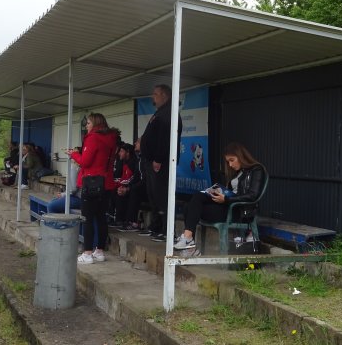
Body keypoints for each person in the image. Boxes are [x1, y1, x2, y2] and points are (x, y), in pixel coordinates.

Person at [173, 142, 266, 250]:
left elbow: (252, 195)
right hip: (227, 206)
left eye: (232, 160)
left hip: (239, 212)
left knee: (194, 202)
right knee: (189, 205)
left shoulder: (256, 169)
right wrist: (220, 193)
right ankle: (189, 241)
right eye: (228, 162)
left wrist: (226, 199)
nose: (230, 165)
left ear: (241, 156)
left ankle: (188, 239)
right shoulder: (237, 172)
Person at [66, 113, 117, 264]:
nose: (86, 125)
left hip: (92, 183)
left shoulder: (92, 137)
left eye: (88, 123)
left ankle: (87, 253)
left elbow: (86, 162)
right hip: (107, 183)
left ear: (94, 123)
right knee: (101, 218)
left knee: (87, 218)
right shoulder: (111, 138)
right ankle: (99, 251)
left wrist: (74, 154)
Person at [139, 84, 181, 242]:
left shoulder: (169, 112)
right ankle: (155, 226)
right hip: (150, 161)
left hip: (161, 162)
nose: (153, 97)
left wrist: (158, 159)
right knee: (153, 195)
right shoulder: (160, 112)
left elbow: (165, 139)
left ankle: (166, 229)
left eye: (155, 94)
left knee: (162, 196)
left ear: (165, 95)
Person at [109, 142, 137, 228]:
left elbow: (132, 179)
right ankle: (112, 217)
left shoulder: (133, 163)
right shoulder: (124, 162)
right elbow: (123, 178)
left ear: (128, 152)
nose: (119, 153)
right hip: (126, 185)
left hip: (133, 187)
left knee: (119, 193)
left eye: (121, 151)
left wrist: (122, 186)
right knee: (112, 190)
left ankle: (120, 220)